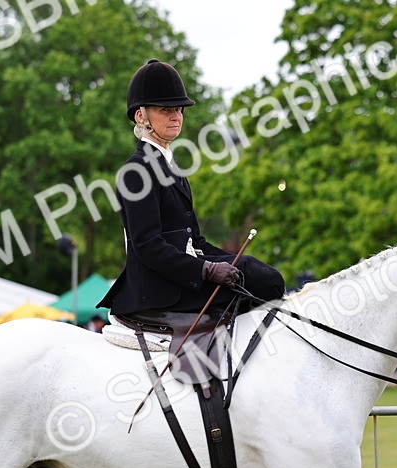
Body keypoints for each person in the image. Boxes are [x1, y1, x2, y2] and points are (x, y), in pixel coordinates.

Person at [98, 59, 285, 319]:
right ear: (141, 116)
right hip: (157, 288)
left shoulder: (172, 167)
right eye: (166, 110)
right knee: (263, 279)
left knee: (258, 274)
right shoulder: (136, 172)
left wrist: (228, 263)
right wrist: (206, 270)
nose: (176, 116)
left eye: (179, 110)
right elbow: (148, 246)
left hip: (182, 278)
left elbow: (195, 242)